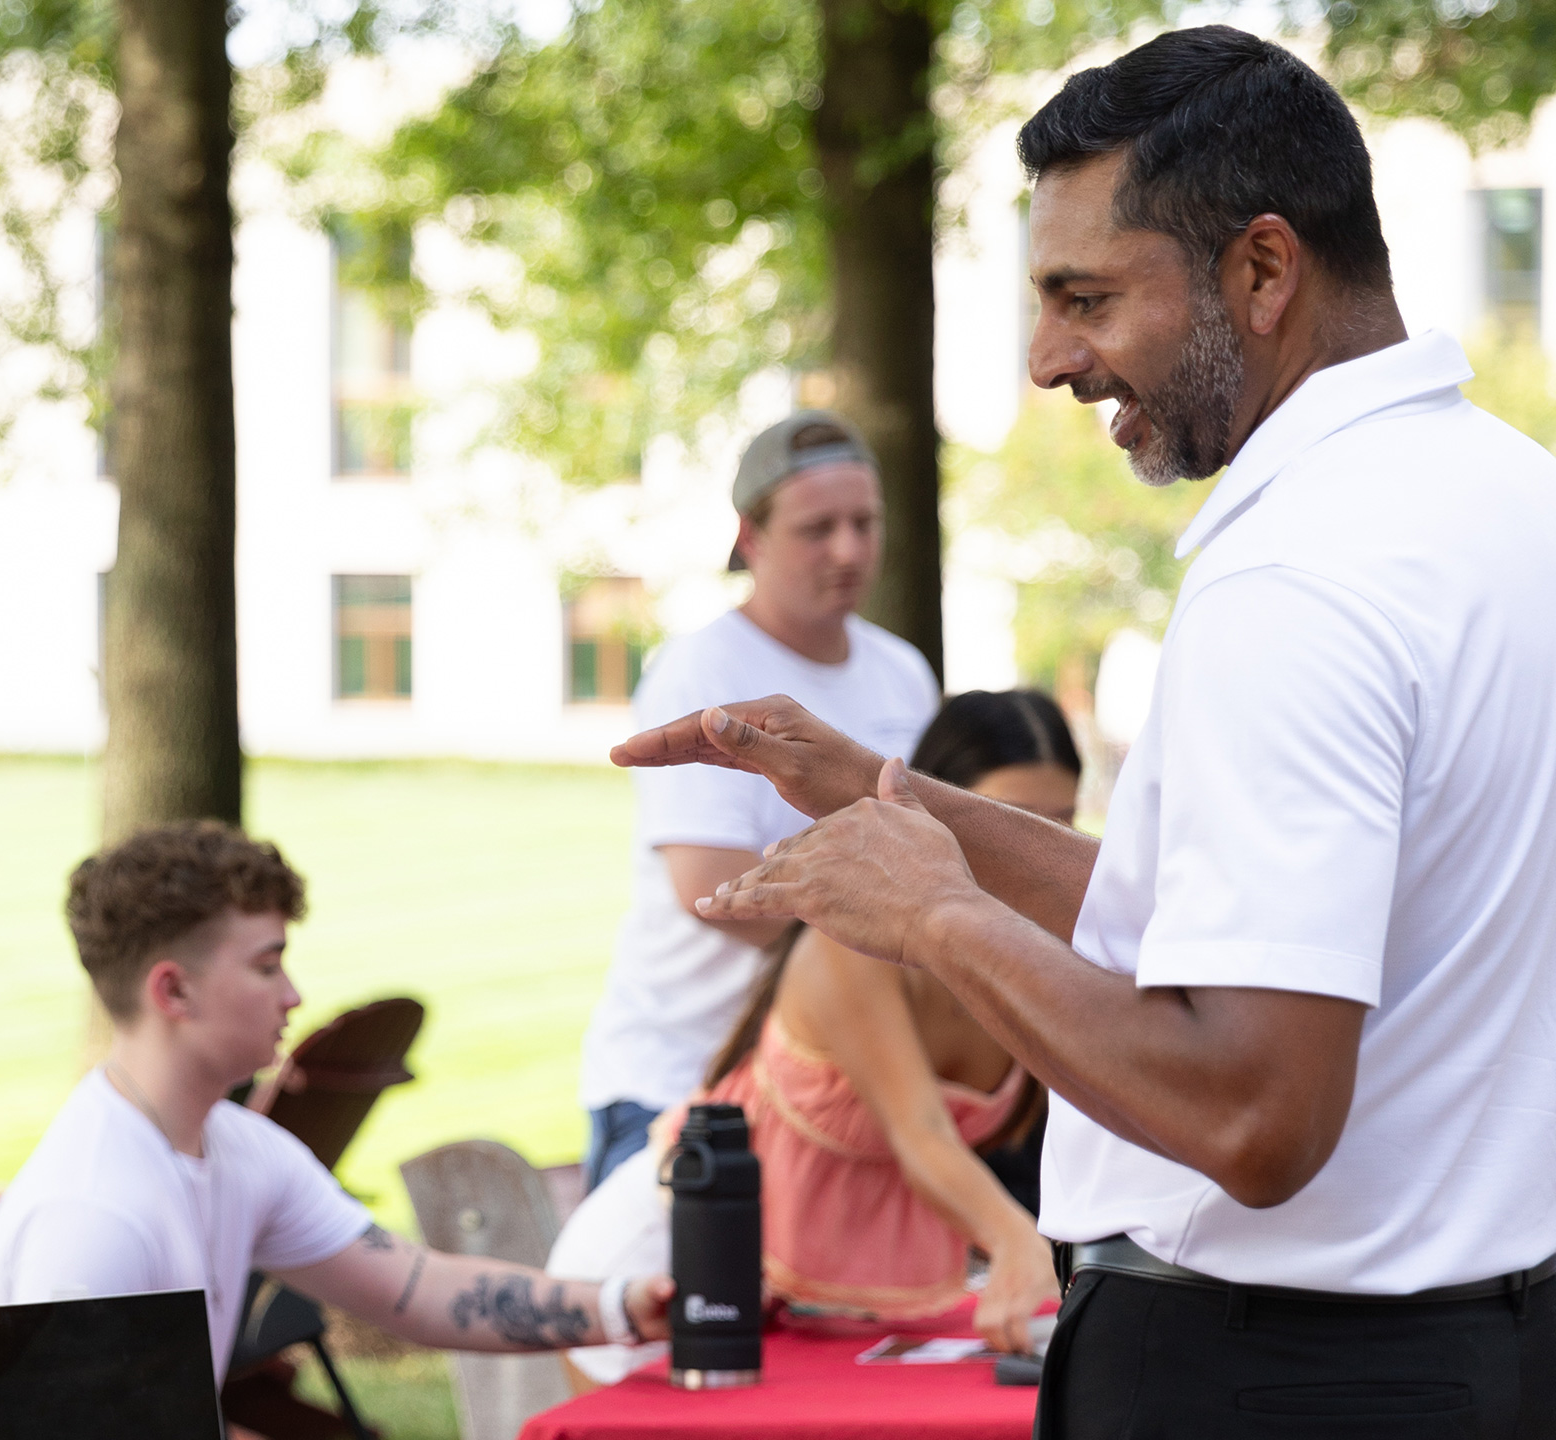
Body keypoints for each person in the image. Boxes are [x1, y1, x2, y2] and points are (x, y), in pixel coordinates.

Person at [615, 26, 1556, 1431]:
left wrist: (938, 919)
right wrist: (900, 803)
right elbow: (1248, 925)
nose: (1051, 358)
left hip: (1269, 1376)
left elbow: (1256, 1115)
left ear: (1261, 268)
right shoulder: (1508, 497)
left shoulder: (1293, 574)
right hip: (1482, 1353)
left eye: (1085, 297)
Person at [0, 820, 673, 1399]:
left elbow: (415, 1287)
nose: (293, 995)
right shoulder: (94, 1222)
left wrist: (624, 1304)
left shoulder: (234, 1145)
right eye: (267, 966)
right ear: (173, 992)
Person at [549, 691, 1078, 1382]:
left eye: (1060, 826)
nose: (1028, 855)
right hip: (671, 1262)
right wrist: (1019, 1243)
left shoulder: (1044, 943)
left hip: (824, 1303)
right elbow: (921, 1135)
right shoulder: (857, 940)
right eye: (1010, 824)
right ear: (930, 816)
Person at [578, 409, 938, 1187]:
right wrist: (917, 929)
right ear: (751, 537)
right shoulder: (702, 673)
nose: (848, 550)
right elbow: (715, 889)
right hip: (683, 1084)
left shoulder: (903, 673)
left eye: (864, 523)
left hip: (834, 1084)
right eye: (818, 528)